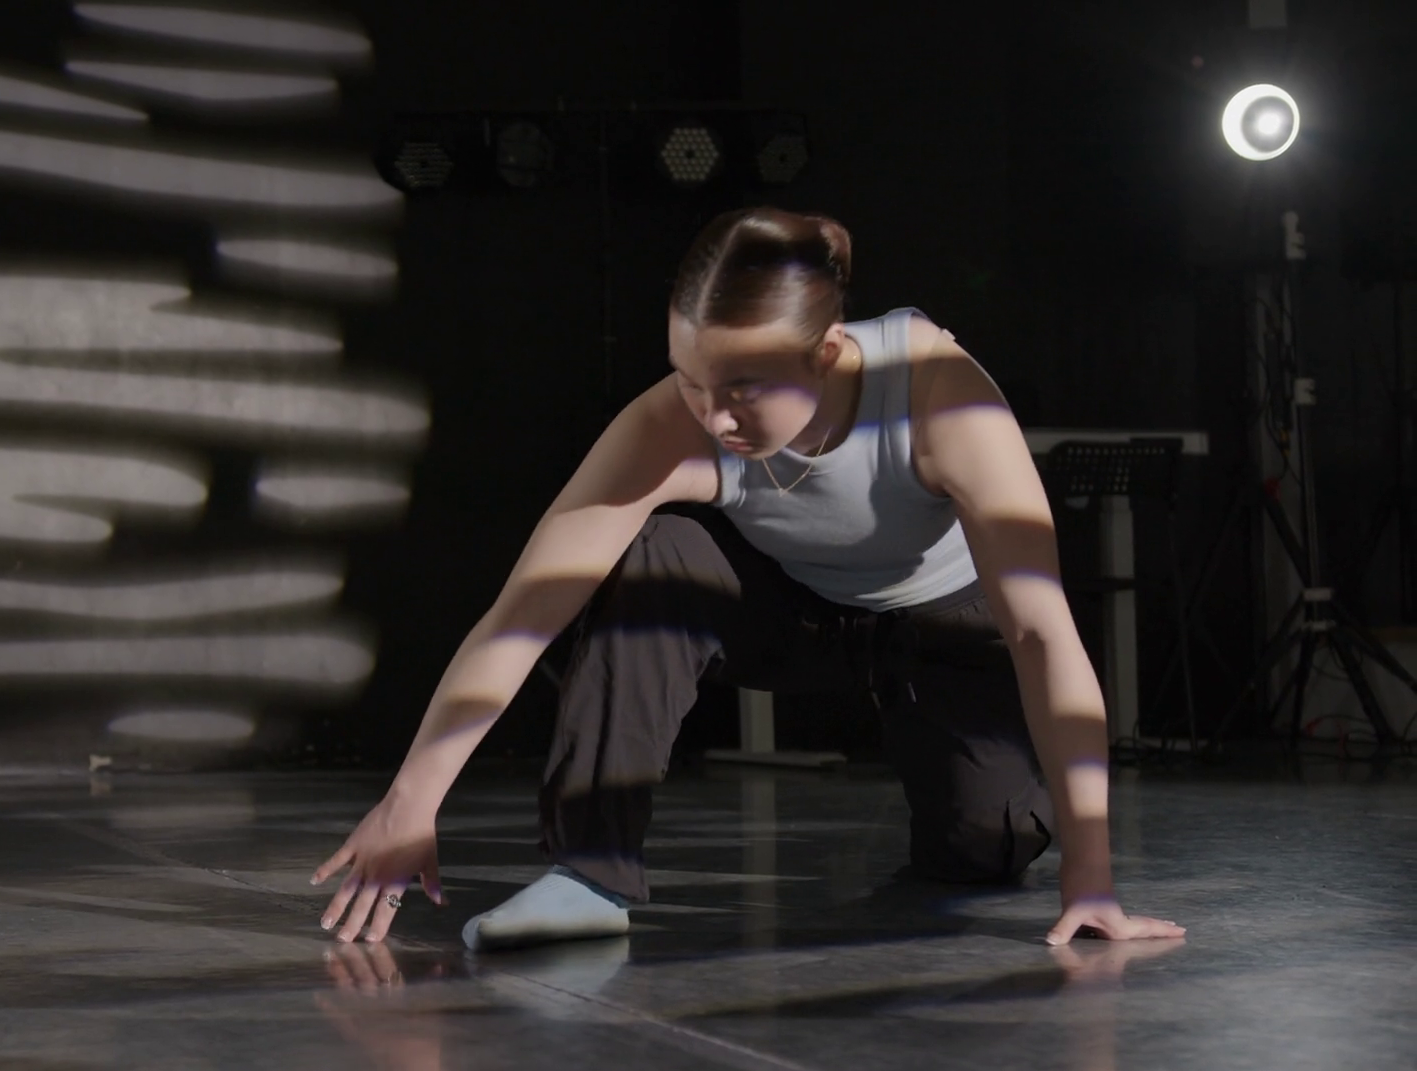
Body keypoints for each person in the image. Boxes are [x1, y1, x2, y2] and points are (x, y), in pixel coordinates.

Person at [311, 207, 1186, 951]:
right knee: (657, 551)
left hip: (945, 626)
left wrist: (1091, 874)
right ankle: (589, 877)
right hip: (799, 612)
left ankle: (971, 800)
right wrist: (411, 800)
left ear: (827, 354)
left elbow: (1040, 634)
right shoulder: (671, 425)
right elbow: (524, 614)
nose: (714, 417)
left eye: (742, 389)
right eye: (691, 380)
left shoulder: (938, 396)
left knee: (983, 848)